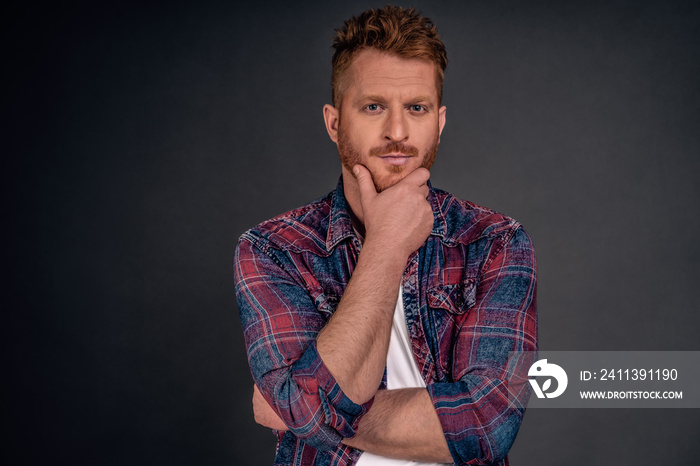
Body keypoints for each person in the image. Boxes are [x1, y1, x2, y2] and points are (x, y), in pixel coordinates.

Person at [234, 6, 537, 465]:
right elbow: (306, 409)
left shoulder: (494, 242)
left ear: (439, 121)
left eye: (416, 108)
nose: (397, 132)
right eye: (373, 106)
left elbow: (484, 427)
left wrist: (305, 410)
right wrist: (386, 244)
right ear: (335, 123)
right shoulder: (273, 249)